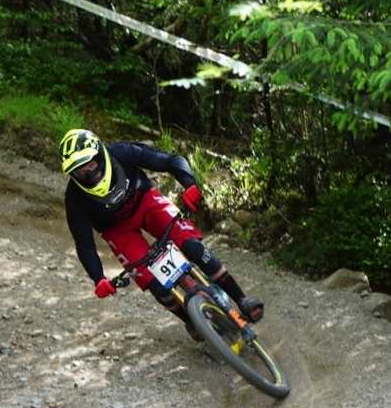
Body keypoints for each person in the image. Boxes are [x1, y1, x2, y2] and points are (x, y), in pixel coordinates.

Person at [59, 128, 263, 340]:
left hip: (146, 203)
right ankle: (191, 320)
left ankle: (242, 299)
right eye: (79, 171)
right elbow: (84, 244)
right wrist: (98, 278)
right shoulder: (75, 199)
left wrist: (190, 185)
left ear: (100, 155)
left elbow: (171, 161)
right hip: (117, 230)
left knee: (193, 247)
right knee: (154, 284)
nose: (88, 173)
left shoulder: (122, 153)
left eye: (90, 164)